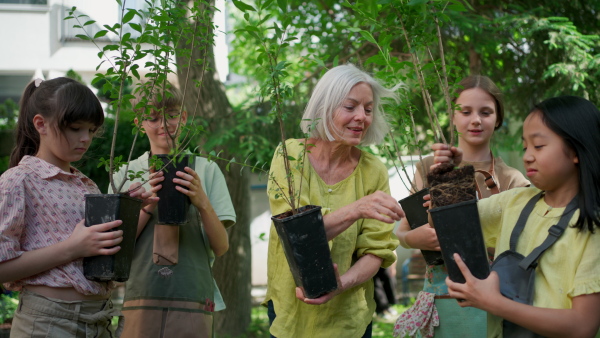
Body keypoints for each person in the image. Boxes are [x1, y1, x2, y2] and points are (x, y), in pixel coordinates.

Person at [433, 95, 600, 337]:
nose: (527, 156)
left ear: (576, 150)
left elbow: (583, 326)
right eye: (525, 147)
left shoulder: (592, 226)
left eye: (539, 146)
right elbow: (448, 223)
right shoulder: (514, 202)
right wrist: (449, 177)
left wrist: (493, 302)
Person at [0, 77, 153, 337]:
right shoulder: (19, 180)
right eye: (75, 128)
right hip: (48, 323)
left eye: (92, 130)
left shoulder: (87, 185)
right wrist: (73, 248)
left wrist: (132, 209)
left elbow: (103, 249)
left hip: (99, 319)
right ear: (41, 124)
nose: (85, 138)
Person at [265, 64, 404, 338]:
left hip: (349, 319)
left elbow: (376, 250)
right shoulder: (291, 155)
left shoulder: (373, 170)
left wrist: (341, 284)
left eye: (368, 108)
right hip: (291, 313)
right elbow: (295, 235)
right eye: (350, 106)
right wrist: (356, 209)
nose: (361, 117)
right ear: (325, 107)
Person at [394, 75, 529, 337]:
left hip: (494, 301)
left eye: (486, 112)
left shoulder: (512, 178)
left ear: (498, 119)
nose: (475, 120)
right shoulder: (428, 168)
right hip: (441, 303)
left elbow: (520, 245)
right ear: (453, 117)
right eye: (465, 112)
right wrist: (415, 237)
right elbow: (402, 233)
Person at [108, 81, 236, 337]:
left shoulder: (207, 170)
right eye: (153, 118)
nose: (164, 125)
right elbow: (115, 249)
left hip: (193, 300)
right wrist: (144, 207)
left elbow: (221, 247)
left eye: (172, 115)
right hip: (140, 299)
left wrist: (202, 202)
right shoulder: (125, 174)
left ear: (184, 117)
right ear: (138, 123)